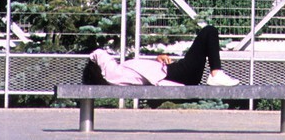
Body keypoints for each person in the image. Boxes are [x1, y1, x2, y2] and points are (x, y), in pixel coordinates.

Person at [87, 24, 239, 87]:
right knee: (209, 31)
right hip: (178, 73)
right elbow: (98, 53)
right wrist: (91, 60)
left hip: (175, 71)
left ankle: (216, 74)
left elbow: (146, 72)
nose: (111, 58)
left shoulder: (121, 72)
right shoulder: (113, 73)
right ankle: (216, 73)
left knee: (208, 32)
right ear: (100, 69)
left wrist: (158, 61)